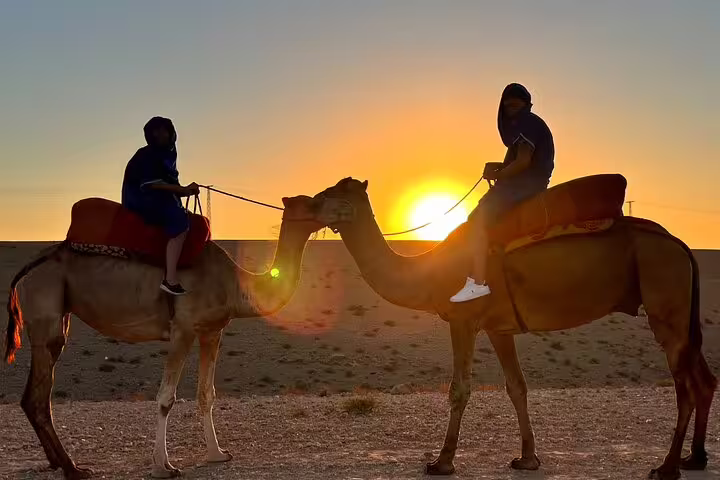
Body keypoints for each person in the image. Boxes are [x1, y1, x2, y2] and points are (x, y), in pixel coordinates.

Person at [450, 83, 554, 303]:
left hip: (526, 184)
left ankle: (477, 282)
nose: (510, 108)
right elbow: (520, 161)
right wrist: (498, 168)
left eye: (514, 104)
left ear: (525, 105)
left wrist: (499, 175)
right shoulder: (527, 125)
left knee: (476, 220)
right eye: (508, 105)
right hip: (526, 182)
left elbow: (523, 162)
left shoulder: (526, 122)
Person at [121, 116, 200, 296]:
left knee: (190, 218)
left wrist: (186, 190)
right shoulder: (147, 155)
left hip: (158, 197)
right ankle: (169, 279)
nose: (160, 134)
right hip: (141, 198)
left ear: (171, 132)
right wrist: (183, 190)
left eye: (164, 130)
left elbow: (170, 182)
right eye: (156, 131)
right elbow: (152, 184)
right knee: (180, 222)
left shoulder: (169, 155)